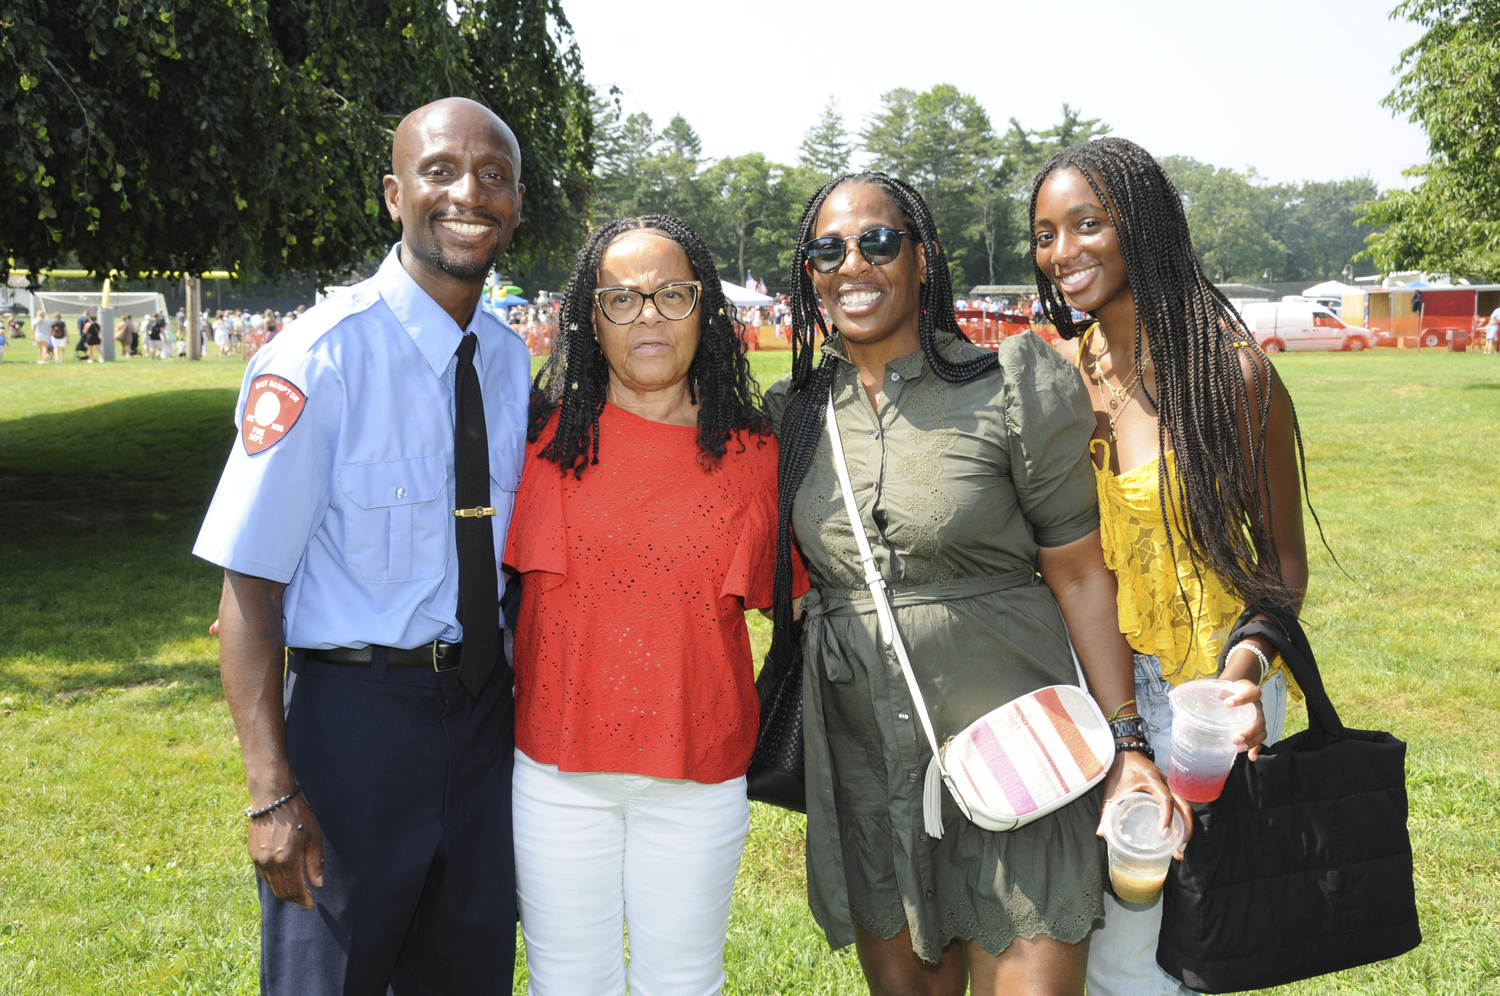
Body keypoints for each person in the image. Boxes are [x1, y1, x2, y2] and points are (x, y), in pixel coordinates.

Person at [764, 171, 1183, 996]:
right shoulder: (795, 413)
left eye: (878, 241)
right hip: (872, 772)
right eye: (828, 249)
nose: (853, 264)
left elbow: (1079, 572)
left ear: (923, 260)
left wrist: (1127, 743)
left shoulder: (1012, 386)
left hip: (1022, 760)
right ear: (809, 272)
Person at [193, 96, 530, 996]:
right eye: (440, 171)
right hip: (355, 728)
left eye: (494, 175)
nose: (470, 193)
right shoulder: (316, 359)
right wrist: (271, 791)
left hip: (483, 717)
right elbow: (248, 591)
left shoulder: (507, 360)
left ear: (517, 204)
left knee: (466, 977)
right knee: (327, 980)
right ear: (394, 194)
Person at [1028, 137, 1307, 996]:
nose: (1062, 253)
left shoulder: (1235, 377)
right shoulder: (1056, 378)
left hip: (1212, 701)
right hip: (1105, 692)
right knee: (1117, 945)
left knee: (1208, 942)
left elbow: (1284, 565)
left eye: (1086, 224)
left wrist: (1245, 673)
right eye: (1044, 234)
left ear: (1142, 226)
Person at [504, 214, 806, 996]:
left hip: (699, 780)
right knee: (566, 984)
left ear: (704, 310)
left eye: (672, 294)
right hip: (556, 776)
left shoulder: (754, 456)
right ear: (586, 317)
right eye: (622, 299)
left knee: (683, 983)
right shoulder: (533, 446)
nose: (648, 316)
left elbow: (805, 609)